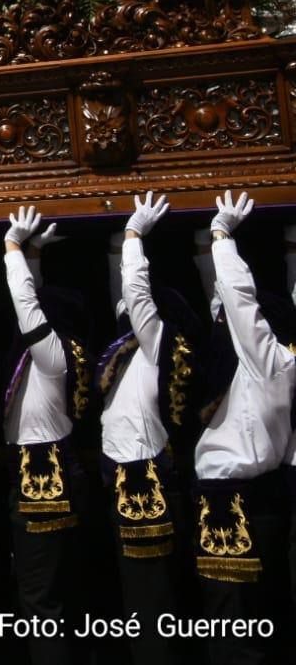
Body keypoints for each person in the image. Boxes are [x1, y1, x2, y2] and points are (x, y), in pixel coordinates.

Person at [192, 192, 293, 663]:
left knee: (231, 626)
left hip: (232, 501)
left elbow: (238, 301)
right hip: (265, 499)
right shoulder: (279, 365)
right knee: (260, 617)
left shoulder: (264, 360)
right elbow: (225, 308)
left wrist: (221, 236)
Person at [99, 194, 195, 665]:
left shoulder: (159, 345)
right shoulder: (126, 353)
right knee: (134, 598)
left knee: (150, 599)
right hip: (122, 473)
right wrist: (120, 245)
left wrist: (135, 236)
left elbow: (135, 296)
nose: (126, 313)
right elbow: (121, 298)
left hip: (143, 476)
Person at [2, 206, 91, 665]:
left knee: (40, 600)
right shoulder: (62, 349)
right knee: (56, 592)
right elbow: (35, 303)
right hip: (55, 468)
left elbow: (27, 305)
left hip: (43, 477)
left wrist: (13, 248)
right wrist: (33, 254)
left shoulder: (53, 355)